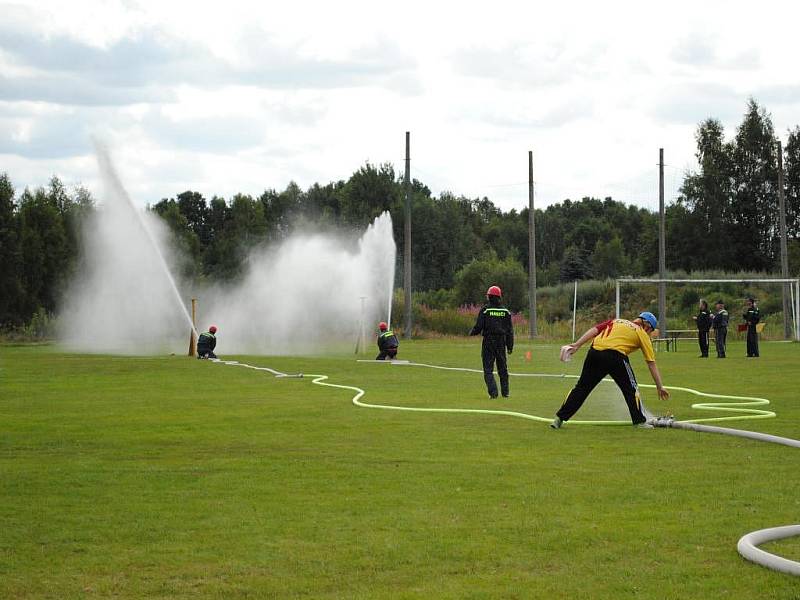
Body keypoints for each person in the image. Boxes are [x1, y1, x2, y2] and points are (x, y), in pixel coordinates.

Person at [550, 312, 669, 429]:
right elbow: (651, 363)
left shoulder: (616, 321)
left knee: (581, 388)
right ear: (647, 325)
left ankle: (559, 419)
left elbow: (595, 330)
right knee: (631, 389)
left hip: (594, 353)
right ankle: (639, 421)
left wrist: (577, 345)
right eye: (651, 330)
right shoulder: (641, 333)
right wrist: (660, 386)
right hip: (615, 356)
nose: (650, 334)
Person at [470, 285, 514, 399]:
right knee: (503, 369)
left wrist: (471, 332)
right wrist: (510, 346)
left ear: (489, 297)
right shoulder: (506, 312)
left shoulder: (485, 310)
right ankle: (506, 393)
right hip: (501, 342)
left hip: (489, 342)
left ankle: (493, 393)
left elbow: (479, 326)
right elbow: (510, 331)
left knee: (488, 369)